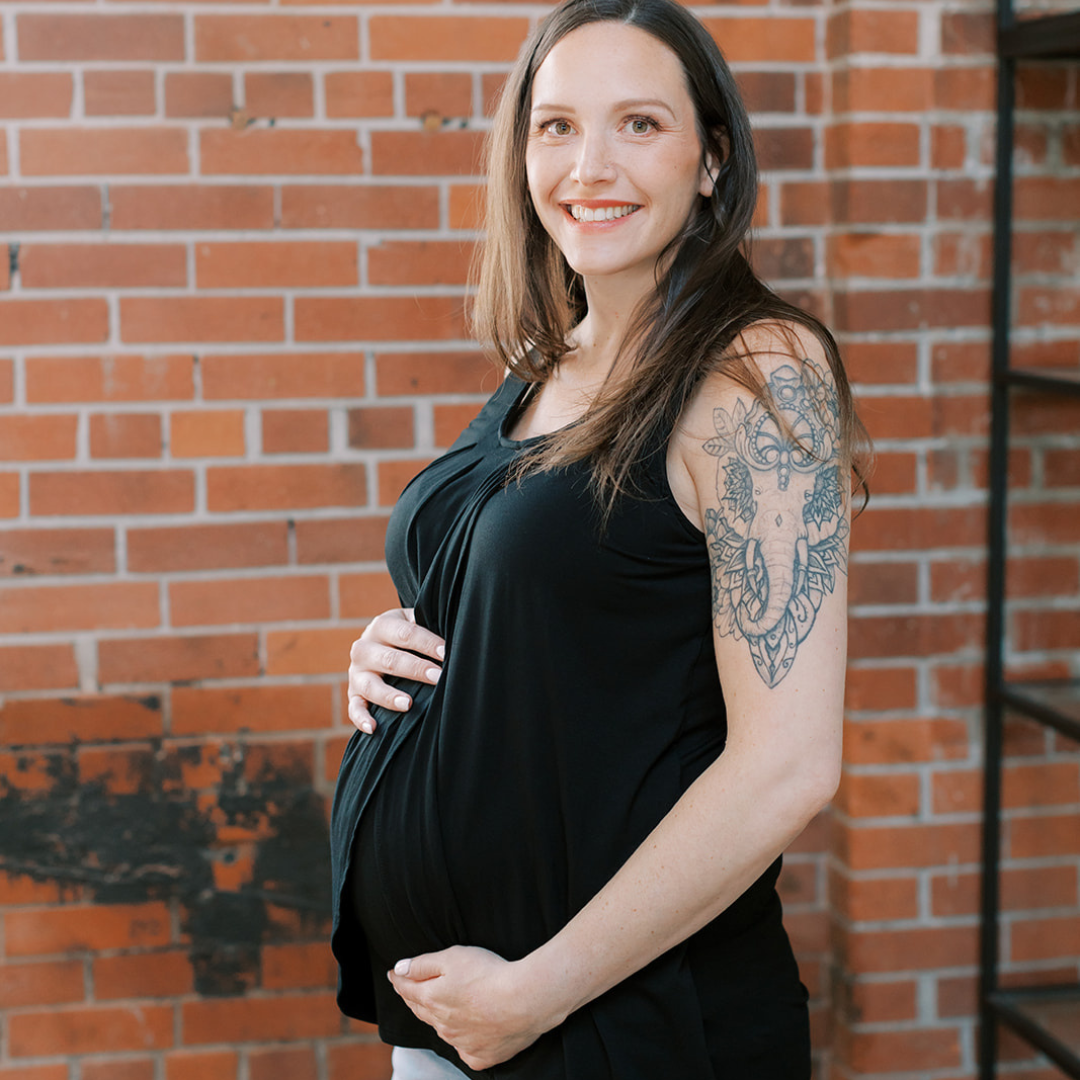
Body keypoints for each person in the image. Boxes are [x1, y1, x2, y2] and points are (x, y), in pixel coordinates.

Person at [330, 1, 869, 1077]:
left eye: (639, 124)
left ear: (712, 160)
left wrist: (537, 992)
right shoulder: (551, 357)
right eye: (557, 125)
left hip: (624, 1025)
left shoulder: (759, 375)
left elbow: (789, 767)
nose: (591, 164)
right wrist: (396, 651)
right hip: (465, 1015)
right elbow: (568, 609)